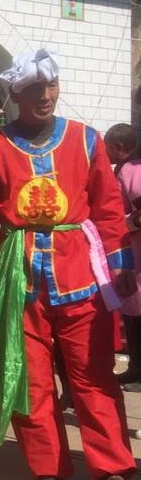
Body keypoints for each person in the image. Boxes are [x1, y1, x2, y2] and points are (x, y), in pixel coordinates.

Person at [0, 51, 140, 480]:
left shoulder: (86, 140)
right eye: (33, 89)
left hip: (79, 273)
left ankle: (113, 470)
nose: (45, 96)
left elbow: (108, 208)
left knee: (94, 375)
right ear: (15, 94)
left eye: (51, 86)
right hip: (18, 276)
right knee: (30, 376)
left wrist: (122, 262)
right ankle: (47, 467)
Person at [105, 122, 141, 390]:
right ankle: (135, 367)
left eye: (106, 146)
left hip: (136, 256)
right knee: (131, 313)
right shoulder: (125, 170)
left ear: (118, 147)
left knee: (137, 314)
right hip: (131, 256)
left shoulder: (132, 171)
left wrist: (127, 223)